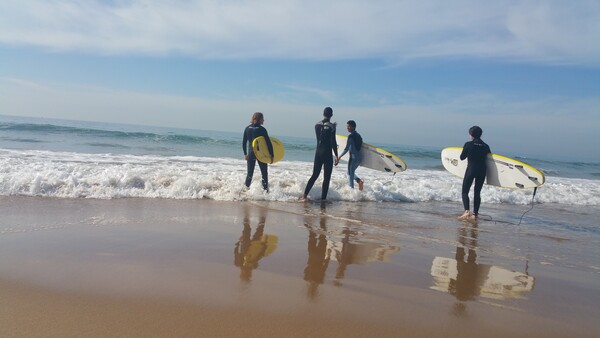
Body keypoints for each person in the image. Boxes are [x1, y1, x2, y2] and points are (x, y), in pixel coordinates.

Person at [301, 107, 339, 200]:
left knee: (314, 175)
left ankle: (304, 195)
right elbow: (333, 141)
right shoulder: (332, 126)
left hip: (318, 153)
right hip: (327, 154)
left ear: (323, 114)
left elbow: (322, 134)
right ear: (332, 115)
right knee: (326, 178)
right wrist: (337, 155)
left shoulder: (316, 125)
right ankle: (323, 200)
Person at [458, 126, 491, 220]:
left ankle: (466, 211)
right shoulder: (486, 146)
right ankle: (475, 214)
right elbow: (490, 160)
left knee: (465, 191)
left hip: (471, 170)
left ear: (471, 134)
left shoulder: (468, 144)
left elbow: (462, 157)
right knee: (477, 192)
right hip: (482, 171)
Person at [242, 112, 274, 192]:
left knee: (249, 174)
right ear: (259, 119)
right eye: (262, 118)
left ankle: (245, 191)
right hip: (260, 154)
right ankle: (266, 192)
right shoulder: (262, 129)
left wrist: (245, 153)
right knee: (264, 173)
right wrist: (272, 154)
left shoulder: (247, 128)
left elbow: (244, 142)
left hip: (251, 154)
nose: (263, 120)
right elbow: (268, 143)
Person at [336, 120, 364, 190]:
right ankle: (359, 181)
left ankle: (351, 191)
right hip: (359, 159)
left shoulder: (350, 136)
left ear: (353, 127)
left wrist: (339, 156)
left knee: (350, 176)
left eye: (349, 126)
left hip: (353, 158)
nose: (347, 128)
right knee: (349, 173)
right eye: (347, 126)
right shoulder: (359, 136)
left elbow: (346, 149)